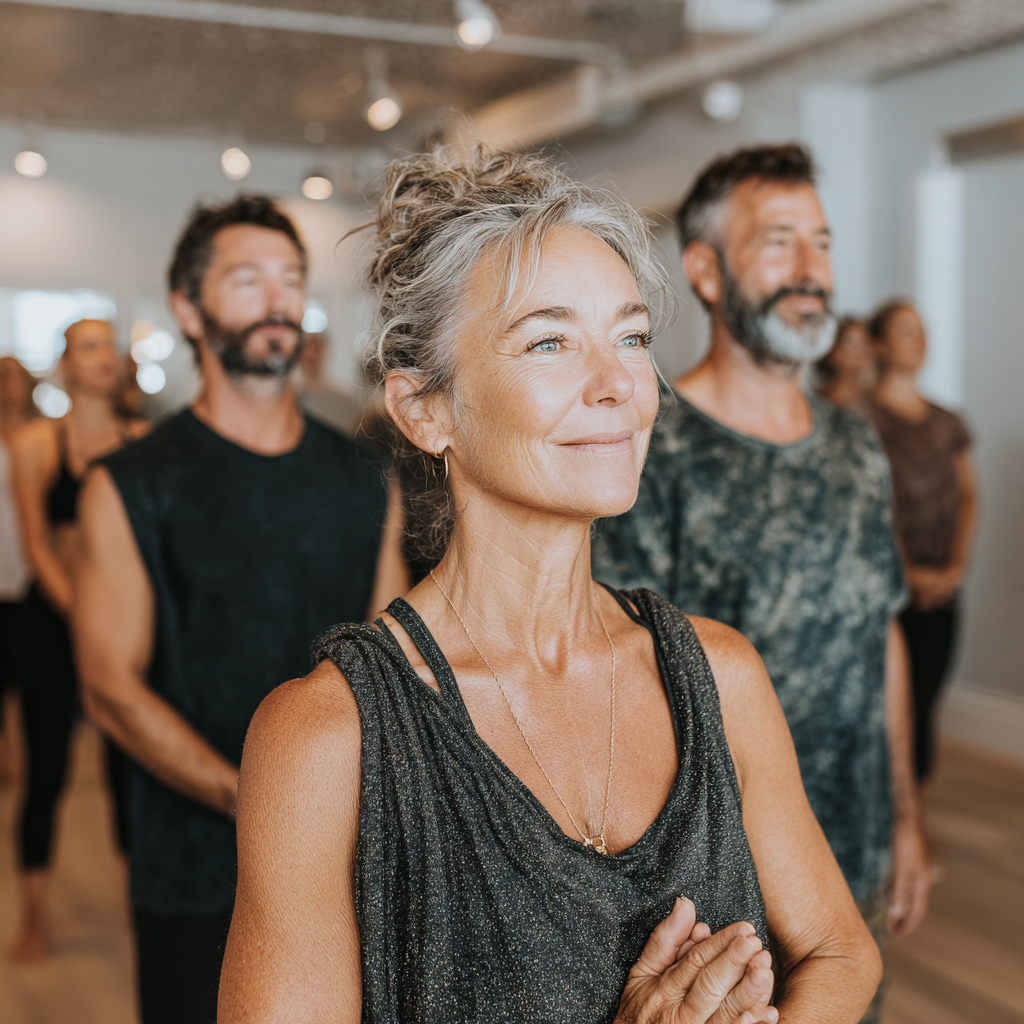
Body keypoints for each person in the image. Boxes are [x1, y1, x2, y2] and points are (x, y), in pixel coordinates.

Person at [218, 147, 881, 1024]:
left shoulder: (720, 675)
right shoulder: (327, 740)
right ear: (426, 411)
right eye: (550, 341)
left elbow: (842, 952)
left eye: (633, 338)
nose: (619, 386)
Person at [593, 144, 932, 1024]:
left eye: (820, 242)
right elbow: (617, 687)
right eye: (779, 242)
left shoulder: (856, 445)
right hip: (715, 892)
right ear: (705, 270)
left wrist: (904, 819)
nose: (811, 269)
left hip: (850, 851)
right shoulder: (649, 444)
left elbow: (879, 633)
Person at [72, 194, 408, 1024]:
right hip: (193, 864)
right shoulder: (132, 483)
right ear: (189, 308)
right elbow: (111, 686)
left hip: (347, 856)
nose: (277, 300)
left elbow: (393, 654)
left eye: (290, 279)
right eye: (248, 279)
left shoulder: (367, 476)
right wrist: (251, 796)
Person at [8, 322, 148, 963]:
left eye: (110, 346)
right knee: (47, 769)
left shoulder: (143, 441)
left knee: (132, 773)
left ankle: (135, 902)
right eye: (88, 347)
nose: (104, 358)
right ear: (64, 365)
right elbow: (37, 544)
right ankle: (34, 916)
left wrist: (119, 624)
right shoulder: (38, 443)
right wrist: (85, 618)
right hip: (53, 624)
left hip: (126, 628)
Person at [867, 300, 978, 781]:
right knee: (891, 706)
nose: (920, 341)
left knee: (928, 696)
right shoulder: (861, 419)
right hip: (888, 588)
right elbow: (868, 508)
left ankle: (913, 819)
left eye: (923, 331)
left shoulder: (947, 420)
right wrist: (906, 573)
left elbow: (969, 495)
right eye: (907, 331)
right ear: (880, 345)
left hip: (944, 585)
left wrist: (956, 565)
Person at [0, 358, 36, 785]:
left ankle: (24, 749)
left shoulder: (44, 434)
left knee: (25, 662)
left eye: (17, 376)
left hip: (26, 559)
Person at [295, 331, 364, 436]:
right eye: (307, 347)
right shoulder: (288, 399)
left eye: (317, 349)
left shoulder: (345, 402)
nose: (312, 355)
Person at [814, 315, 874, 416]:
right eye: (850, 343)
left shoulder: (873, 403)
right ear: (831, 350)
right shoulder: (817, 403)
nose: (860, 351)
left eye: (864, 342)